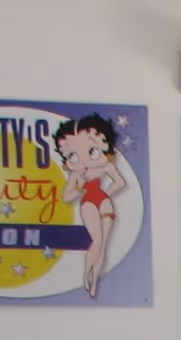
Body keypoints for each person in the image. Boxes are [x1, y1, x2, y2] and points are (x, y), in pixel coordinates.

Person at [54, 113, 125, 299]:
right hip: (88, 203)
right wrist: (79, 188)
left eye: (91, 151)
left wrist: (105, 194)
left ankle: (94, 282)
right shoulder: (77, 175)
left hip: (103, 201)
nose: (84, 159)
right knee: (97, 241)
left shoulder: (105, 167)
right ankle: (86, 275)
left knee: (103, 246)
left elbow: (120, 182)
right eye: (73, 155)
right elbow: (67, 196)